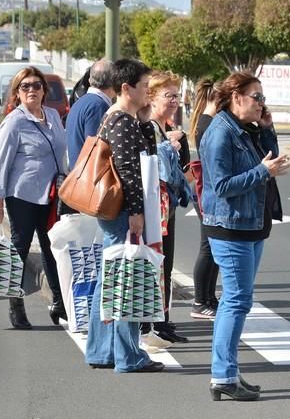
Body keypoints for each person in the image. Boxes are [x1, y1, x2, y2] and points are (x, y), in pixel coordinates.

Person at [199, 72, 290, 401]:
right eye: (257, 97)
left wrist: (267, 128)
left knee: (238, 301)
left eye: (263, 98)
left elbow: (272, 159)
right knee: (235, 301)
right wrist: (262, 172)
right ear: (236, 97)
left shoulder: (246, 129)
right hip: (230, 226)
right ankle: (223, 375)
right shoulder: (219, 133)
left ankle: (228, 372)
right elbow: (221, 186)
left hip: (251, 224)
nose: (261, 103)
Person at [84, 58, 165, 373]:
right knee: (127, 280)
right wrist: (136, 212)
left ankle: (102, 351)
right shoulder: (121, 121)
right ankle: (128, 356)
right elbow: (132, 170)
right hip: (122, 211)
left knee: (111, 279)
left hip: (115, 210)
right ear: (126, 88)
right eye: (144, 86)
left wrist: (145, 121)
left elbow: (143, 158)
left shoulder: (121, 118)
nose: (148, 91)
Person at [0, 66, 67, 330]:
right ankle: (15, 305)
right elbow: (1, 162)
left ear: (44, 90)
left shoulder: (54, 115)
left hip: (51, 194)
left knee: (52, 247)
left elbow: (61, 152)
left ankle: (59, 302)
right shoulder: (14, 121)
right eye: (25, 87)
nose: (32, 90)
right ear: (17, 93)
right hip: (22, 194)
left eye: (36, 85)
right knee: (20, 249)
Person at [142, 70, 190, 344]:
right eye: (168, 95)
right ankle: (153, 322)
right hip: (153, 209)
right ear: (151, 97)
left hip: (166, 207)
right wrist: (168, 147)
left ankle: (163, 319)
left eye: (176, 95)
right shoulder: (149, 126)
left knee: (166, 264)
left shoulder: (164, 127)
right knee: (157, 264)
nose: (174, 100)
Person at [188, 79, 221, 320]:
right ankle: (200, 301)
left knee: (213, 247)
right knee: (208, 247)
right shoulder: (208, 123)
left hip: (206, 191)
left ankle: (209, 297)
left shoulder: (207, 121)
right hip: (206, 192)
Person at [66, 59, 116, 170]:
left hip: (78, 176)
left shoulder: (80, 102)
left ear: (89, 80)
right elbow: (96, 150)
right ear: (114, 81)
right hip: (89, 180)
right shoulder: (98, 106)